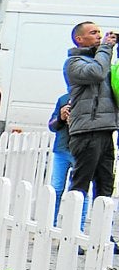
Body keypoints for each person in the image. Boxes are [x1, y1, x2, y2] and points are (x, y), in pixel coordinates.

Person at [63, 21, 117, 200]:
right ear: (79, 39)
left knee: (105, 184)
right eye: (93, 33)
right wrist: (106, 48)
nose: (99, 37)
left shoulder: (101, 59)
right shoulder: (73, 63)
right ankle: (72, 224)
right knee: (81, 183)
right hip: (86, 132)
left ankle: (102, 226)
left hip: (105, 129)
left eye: (100, 33)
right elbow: (97, 73)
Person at [48, 93, 78, 225]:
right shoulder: (63, 99)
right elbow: (51, 126)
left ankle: (78, 228)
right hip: (61, 149)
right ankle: (51, 224)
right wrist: (60, 117)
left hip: (80, 151)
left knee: (79, 192)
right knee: (56, 189)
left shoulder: (91, 97)